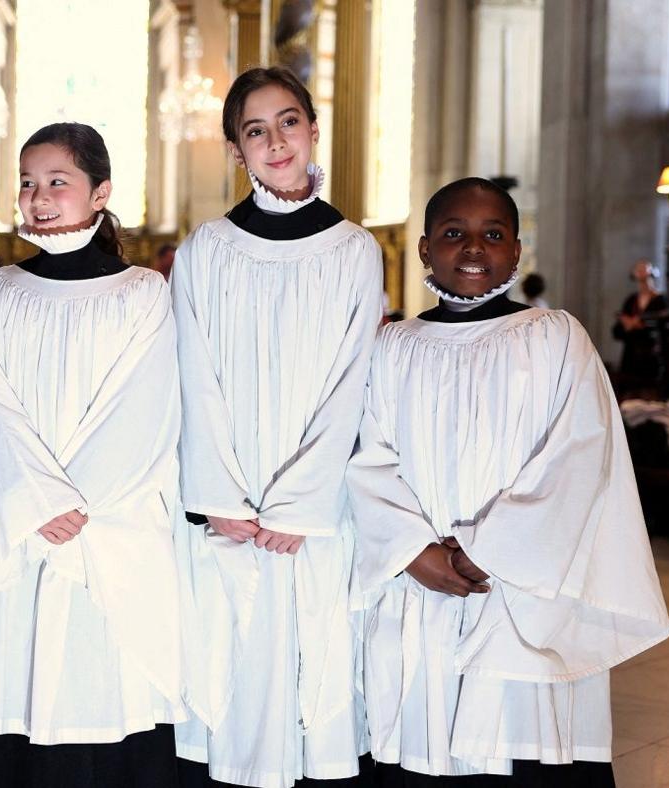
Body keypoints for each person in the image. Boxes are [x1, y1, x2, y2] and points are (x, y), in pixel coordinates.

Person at [348, 177, 669, 786]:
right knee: (426, 732)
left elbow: (580, 459)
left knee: (523, 739)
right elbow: (368, 458)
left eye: (492, 235)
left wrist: (489, 549)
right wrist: (410, 549)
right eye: (453, 234)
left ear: (517, 251)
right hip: (421, 587)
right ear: (424, 250)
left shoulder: (555, 338)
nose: (473, 249)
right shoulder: (393, 347)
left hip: (520, 589)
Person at [0, 122, 184, 787]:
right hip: (14, 531)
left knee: (97, 680)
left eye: (58, 182)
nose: (38, 198)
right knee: (9, 675)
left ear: (101, 192)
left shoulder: (143, 294)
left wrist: (67, 508)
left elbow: (142, 414)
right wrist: (37, 502)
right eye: (28, 184)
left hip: (103, 533)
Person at [172, 66, 383, 787]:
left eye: (288, 121)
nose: (276, 141)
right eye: (255, 130)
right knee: (237, 667)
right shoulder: (206, 250)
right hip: (230, 504)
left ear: (313, 128)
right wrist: (221, 498)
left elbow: (351, 383)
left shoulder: (355, 250)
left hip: (315, 511)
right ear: (236, 150)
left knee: (313, 668)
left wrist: (302, 504)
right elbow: (193, 378)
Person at [612, 259, 669, 395]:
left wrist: (640, 326)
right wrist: (628, 326)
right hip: (631, 360)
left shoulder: (660, 300)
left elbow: (663, 330)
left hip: (650, 359)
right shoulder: (631, 301)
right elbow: (617, 331)